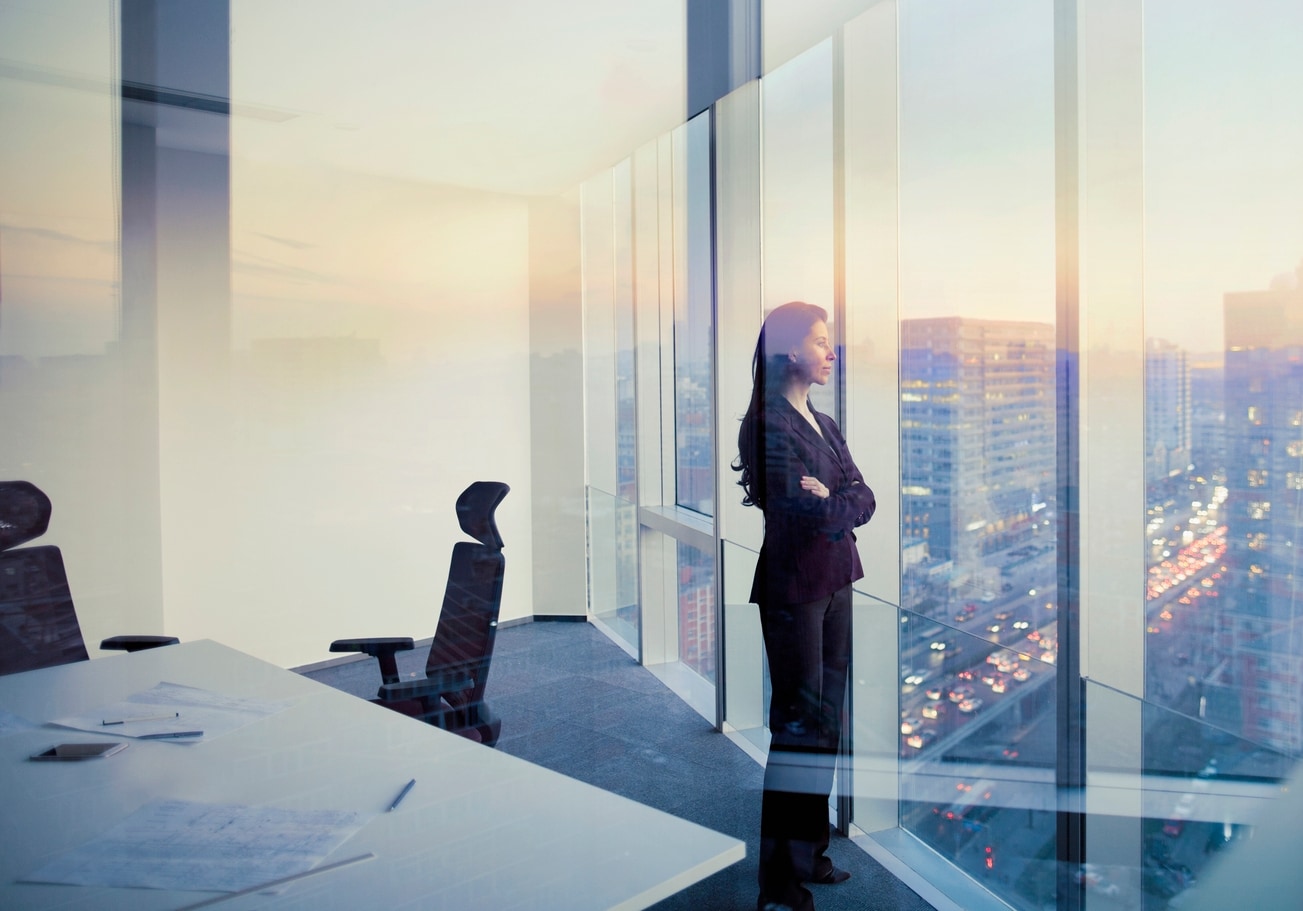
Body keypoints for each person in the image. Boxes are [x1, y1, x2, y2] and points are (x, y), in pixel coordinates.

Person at [733, 301, 876, 911]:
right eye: (822, 342)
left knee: (827, 725)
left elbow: (864, 496)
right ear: (791, 351)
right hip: (794, 589)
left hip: (838, 581)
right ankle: (778, 884)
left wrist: (836, 497)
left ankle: (810, 852)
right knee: (796, 730)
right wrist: (832, 501)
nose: (831, 351)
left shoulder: (821, 420)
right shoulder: (766, 424)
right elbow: (799, 511)